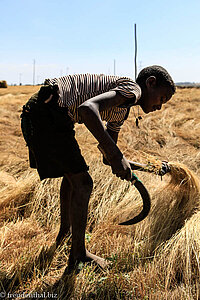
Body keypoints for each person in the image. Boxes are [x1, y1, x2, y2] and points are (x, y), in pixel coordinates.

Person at [21, 65, 175, 271]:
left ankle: (66, 236)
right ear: (151, 83)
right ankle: (79, 255)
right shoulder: (132, 89)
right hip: (47, 110)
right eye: (162, 99)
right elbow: (87, 109)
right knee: (83, 183)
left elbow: (108, 156)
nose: (159, 107)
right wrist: (115, 156)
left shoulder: (120, 112)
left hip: (49, 111)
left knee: (73, 178)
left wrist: (150, 168)